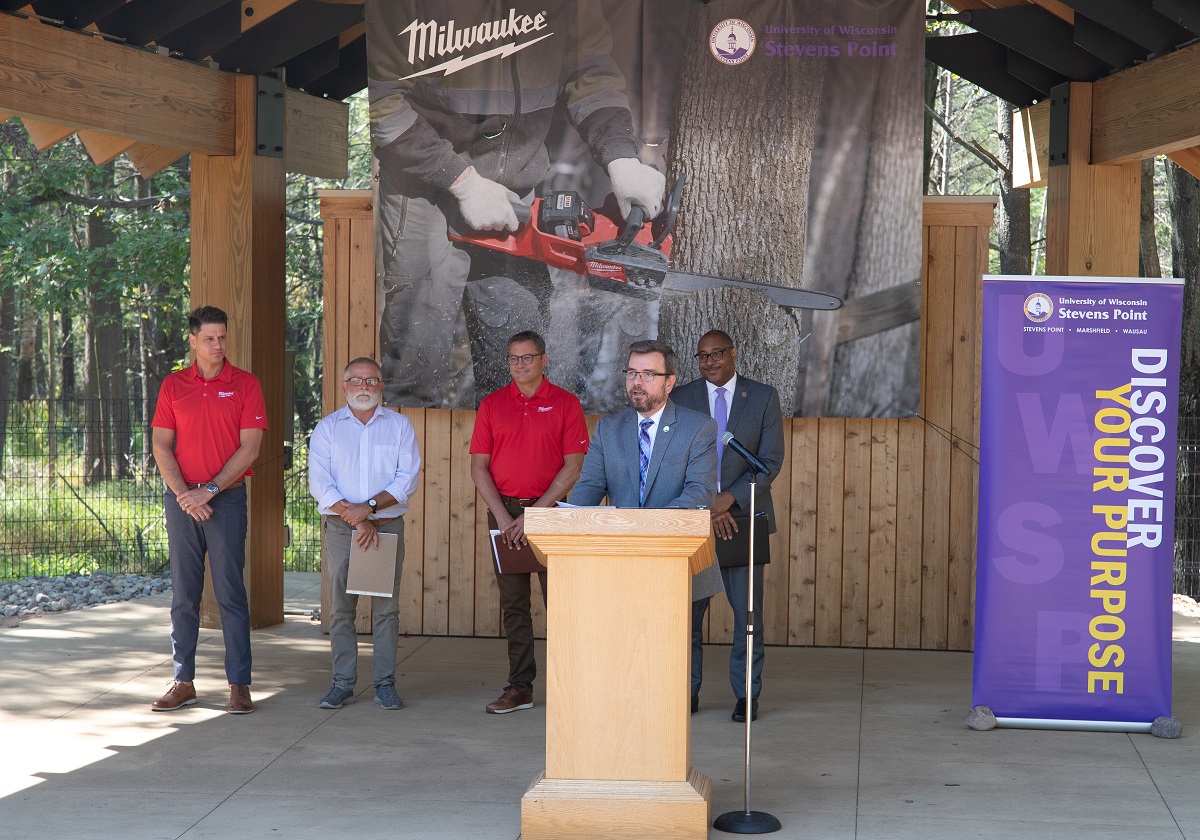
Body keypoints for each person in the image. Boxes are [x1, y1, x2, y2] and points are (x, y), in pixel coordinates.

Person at [367, 1, 666, 408]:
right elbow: (385, 108)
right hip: (426, 188)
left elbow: (591, 74)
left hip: (515, 190)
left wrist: (621, 157)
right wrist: (463, 182)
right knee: (417, 361)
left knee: (519, 364)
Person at [150, 306, 266, 714]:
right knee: (184, 594)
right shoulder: (173, 385)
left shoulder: (246, 384)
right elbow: (161, 445)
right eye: (209, 338)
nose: (217, 346)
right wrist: (185, 494)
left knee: (231, 593)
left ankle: (239, 685)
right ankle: (183, 681)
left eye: (222, 337)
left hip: (227, 500)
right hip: (182, 502)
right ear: (194, 341)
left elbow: (250, 447)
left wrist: (210, 490)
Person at [470, 331, 589, 714]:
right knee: (514, 605)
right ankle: (520, 688)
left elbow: (573, 468)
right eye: (513, 359)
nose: (520, 365)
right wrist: (505, 517)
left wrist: (537, 514)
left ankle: (571, 687)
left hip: (551, 514)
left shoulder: (566, 404)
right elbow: (478, 467)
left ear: (543, 359)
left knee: (563, 603)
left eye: (527, 357)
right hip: (503, 515)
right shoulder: (492, 404)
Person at [673, 331, 785, 722]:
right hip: (695, 520)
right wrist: (708, 505)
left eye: (716, 354)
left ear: (733, 354)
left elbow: (769, 462)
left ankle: (746, 695)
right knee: (687, 615)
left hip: (742, 520)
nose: (708, 362)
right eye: (701, 356)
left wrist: (729, 500)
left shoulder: (762, 397)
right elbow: (672, 461)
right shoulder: (682, 397)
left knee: (747, 616)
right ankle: (686, 692)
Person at [568, 339, 723, 602]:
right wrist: (570, 522)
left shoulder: (698, 427)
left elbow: (700, 492)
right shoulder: (608, 429)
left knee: (685, 643)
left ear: (669, 382)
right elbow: (589, 488)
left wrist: (649, 528)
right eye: (632, 373)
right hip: (618, 563)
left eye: (648, 374)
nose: (637, 382)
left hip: (679, 560)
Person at [308, 358, 422, 711]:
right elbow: (320, 482)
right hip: (343, 529)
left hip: (385, 528)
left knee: (386, 610)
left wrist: (368, 508)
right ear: (344, 386)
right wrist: (357, 518)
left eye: (371, 380)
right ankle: (342, 684)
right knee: (342, 609)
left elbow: (407, 478)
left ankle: (384, 684)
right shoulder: (327, 429)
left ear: (381, 385)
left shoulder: (399, 426)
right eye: (356, 380)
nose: (364, 386)